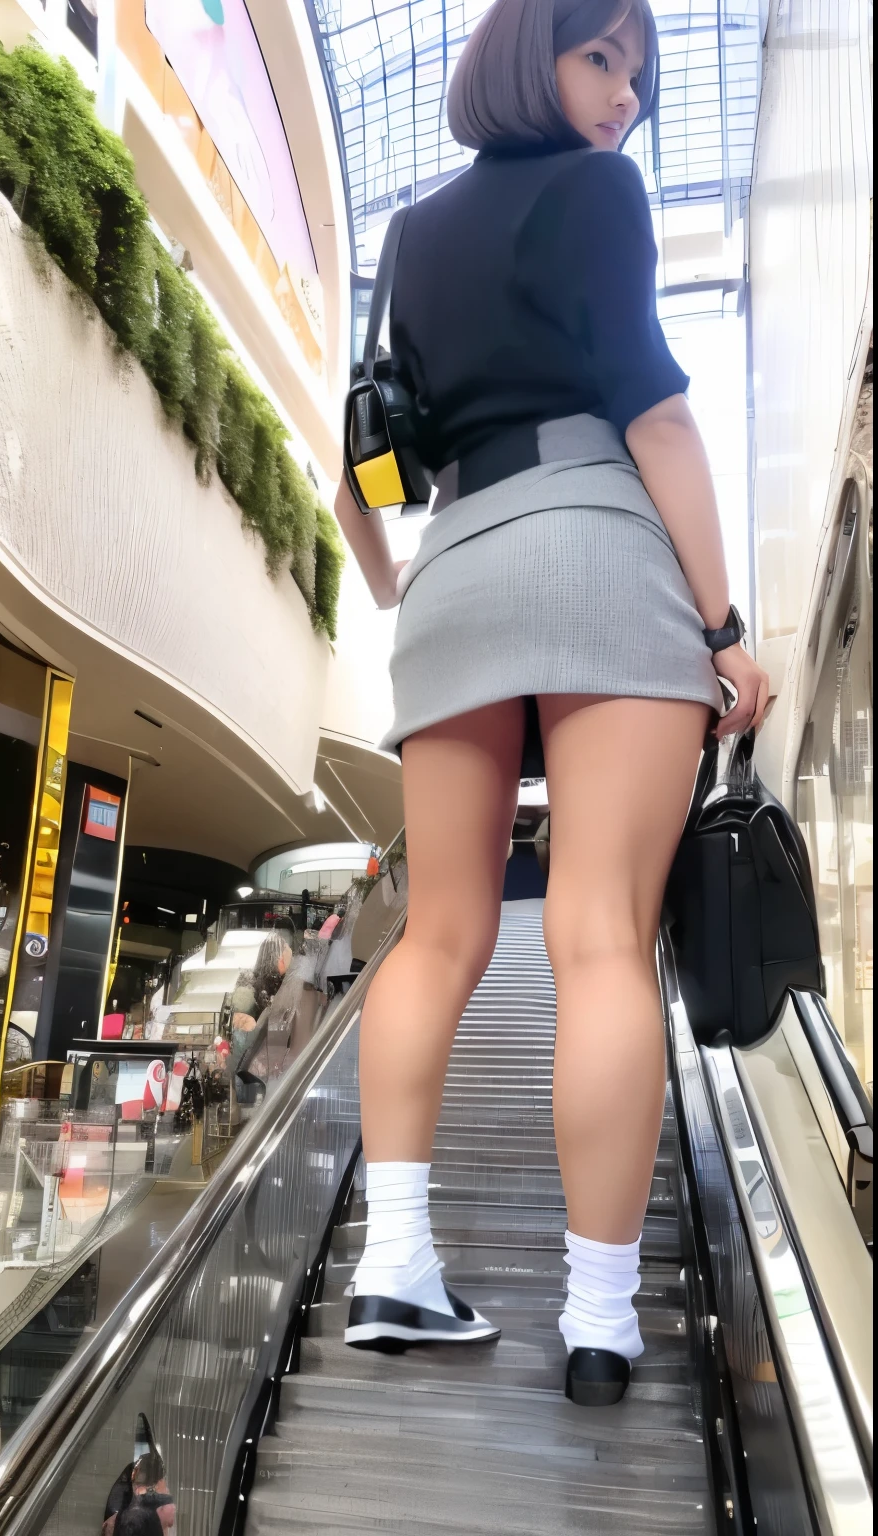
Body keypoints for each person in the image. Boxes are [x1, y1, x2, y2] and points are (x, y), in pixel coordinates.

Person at [333, 0, 768, 1405]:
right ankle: (600, 1321)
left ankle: (393, 1263)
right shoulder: (597, 191)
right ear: (532, 55)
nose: (627, 98)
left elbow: (362, 471)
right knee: (596, 937)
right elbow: (656, 414)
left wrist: (409, 590)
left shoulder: (408, 238)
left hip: (452, 561)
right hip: (593, 534)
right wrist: (724, 630)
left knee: (441, 929)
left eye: (638, 76)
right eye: (603, 60)